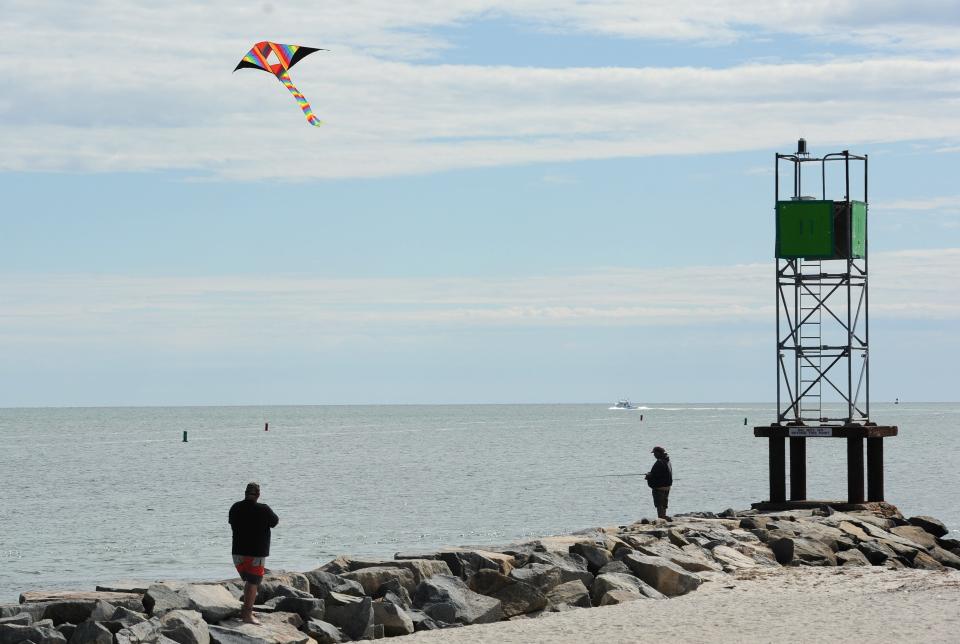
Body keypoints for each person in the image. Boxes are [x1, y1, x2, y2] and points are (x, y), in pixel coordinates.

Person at [229, 482, 279, 624]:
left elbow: (231, 522)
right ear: (258, 495)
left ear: (245, 493)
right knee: (253, 583)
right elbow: (275, 522)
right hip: (256, 554)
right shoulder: (264, 509)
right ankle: (247, 615)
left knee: (249, 582)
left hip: (237, 553)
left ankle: (247, 609)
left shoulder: (235, 507)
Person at [644, 446, 673, 520]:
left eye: (655, 453)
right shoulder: (667, 461)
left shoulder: (659, 462)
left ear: (658, 453)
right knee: (664, 503)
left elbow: (655, 475)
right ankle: (664, 516)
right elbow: (661, 473)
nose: (654, 455)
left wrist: (648, 476)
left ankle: (661, 518)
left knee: (659, 504)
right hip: (667, 486)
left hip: (659, 487)